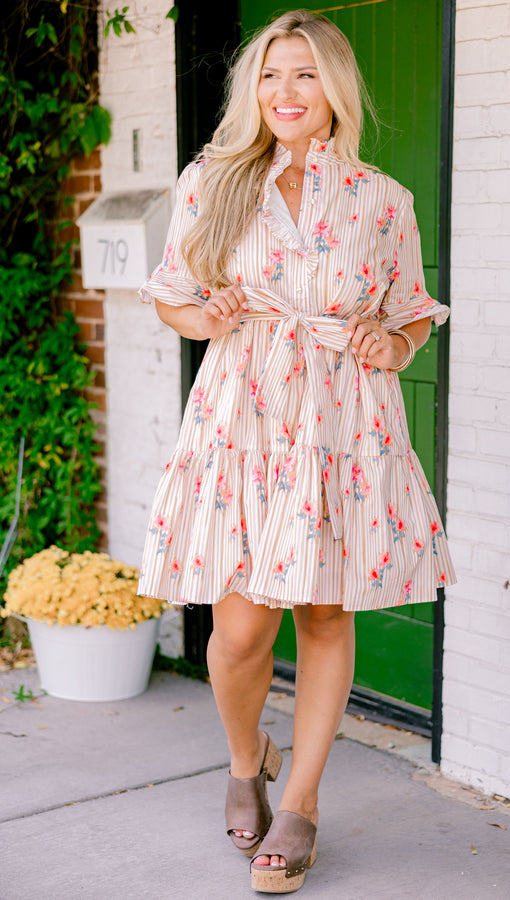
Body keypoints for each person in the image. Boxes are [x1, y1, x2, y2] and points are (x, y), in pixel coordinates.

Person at [138, 9, 456, 894]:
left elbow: (410, 315)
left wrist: (392, 343)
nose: (287, 91)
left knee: (323, 614)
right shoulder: (212, 179)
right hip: (243, 413)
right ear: (254, 89)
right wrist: (202, 316)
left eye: (306, 73)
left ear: (335, 88)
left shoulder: (383, 199)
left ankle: (302, 804)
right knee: (239, 631)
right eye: (272, 74)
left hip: (341, 421)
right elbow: (170, 294)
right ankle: (247, 761)